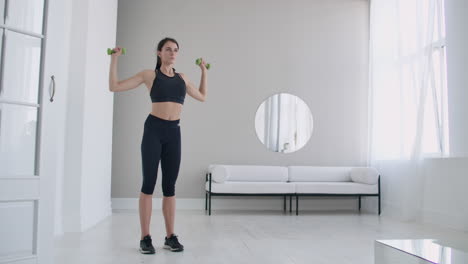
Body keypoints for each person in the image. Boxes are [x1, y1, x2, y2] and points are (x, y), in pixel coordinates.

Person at [108, 37, 208, 254]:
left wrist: (204, 72)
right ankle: (145, 237)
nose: (172, 53)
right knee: (149, 183)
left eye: (176, 50)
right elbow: (114, 87)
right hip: (154, 130)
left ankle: (170, 236)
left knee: (170, 187)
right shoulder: (149, 75)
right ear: (159, 53)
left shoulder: (182, 78)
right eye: (168, 49)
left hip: (174, 133)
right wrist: (114, 60)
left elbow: (202, 96)